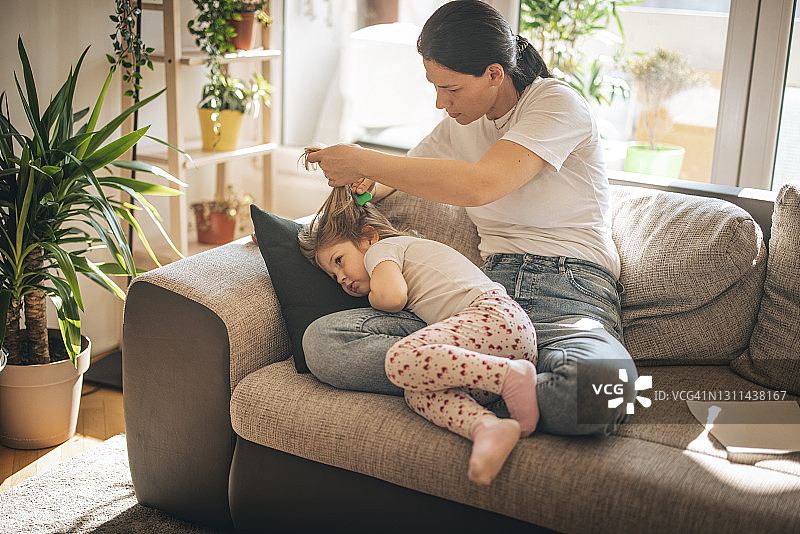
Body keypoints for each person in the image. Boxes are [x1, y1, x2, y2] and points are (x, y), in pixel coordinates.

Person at [302, 0, 637, 436]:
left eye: (452, 88)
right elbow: (380, 185)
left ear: (494, 73)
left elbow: (480, 183)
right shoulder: (461, 123)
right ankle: (495, 383)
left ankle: (459, 385)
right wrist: (312, 223)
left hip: (567, 291)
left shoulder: (556, 104)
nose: (442, 102)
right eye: (435, 87)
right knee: (324, 344)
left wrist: (365, 158)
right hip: (479, 298)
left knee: (595, 394)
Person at [298, 185, 539, 484]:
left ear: (368, 236)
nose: (342, 279)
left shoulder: (383, 250)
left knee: (399, 359)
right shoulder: (388, 254)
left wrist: (373, 293)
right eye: (334, 277)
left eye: (339, 261)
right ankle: (486, 425)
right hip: (498, 341)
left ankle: (508, 375)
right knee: (417, 389)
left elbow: (392, 298)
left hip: (491, 316)